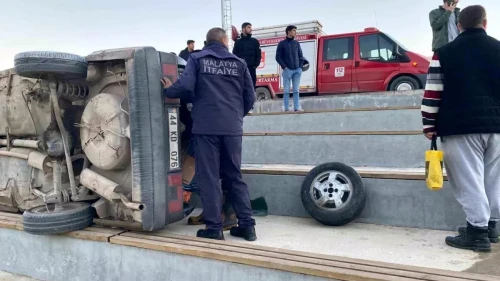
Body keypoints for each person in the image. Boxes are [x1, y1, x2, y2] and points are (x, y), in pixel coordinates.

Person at [162, 27, 257, 241]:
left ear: (207, 42)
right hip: (232, 128)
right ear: (225, 41)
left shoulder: (197, 59)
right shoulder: (239, 63)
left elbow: (185, 87)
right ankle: (248, 226)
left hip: (206, 128)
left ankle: (214, 227)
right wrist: (234, 117)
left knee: (210, 177)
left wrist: (169, 89)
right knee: (234, 176)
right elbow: (250, 97)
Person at [421, 5, 500, 252]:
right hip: (497, 126)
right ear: (485, 24)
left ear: (458, 25)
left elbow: (433, 92)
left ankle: (477, 233)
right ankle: (491, 227)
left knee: (469, 181)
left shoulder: (444, 52)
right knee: (494, 179)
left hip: (460, 125)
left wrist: (429, 123)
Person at [275, 25, 306, 112]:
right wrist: (284, 67)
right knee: (286, 91)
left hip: (297, 70)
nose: (295, 32)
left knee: (296, 90)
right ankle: (286, 109)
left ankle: (296, 108)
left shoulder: (296, 43)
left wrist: (300, 67)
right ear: (288, 32)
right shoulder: (282, 44)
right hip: (287, 70)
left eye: (295, 30)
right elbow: (278, 57)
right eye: (293, 30)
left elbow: (301, 56)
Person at [233, 22, 262, 87]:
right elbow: (234, 55)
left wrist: (255, 65)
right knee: (241, 88)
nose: (251, 29)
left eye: (251, 27)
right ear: (243, 29)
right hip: (241, 69)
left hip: (251, 69)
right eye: (248, 27)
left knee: (251, 87)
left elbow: (258, 54)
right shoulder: (238, 42)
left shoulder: (254, 41)